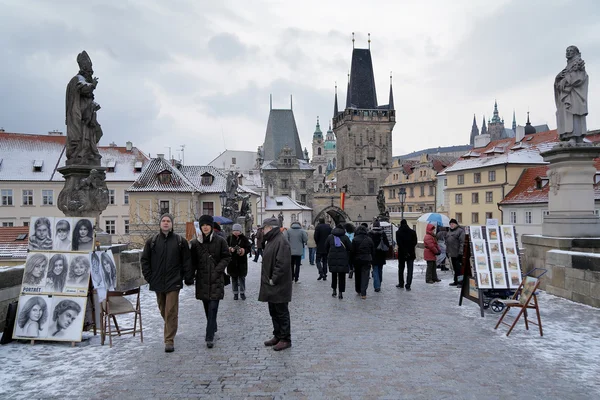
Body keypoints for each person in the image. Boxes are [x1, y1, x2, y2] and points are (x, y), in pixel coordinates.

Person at [141, 213, 191, 353]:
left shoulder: (180, 241)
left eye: (168, 221)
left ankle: (169, 340)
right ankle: (171, 325)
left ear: (172, 224)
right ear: (160, 223)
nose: (166, 223)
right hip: (157, 281)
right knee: (163, 309)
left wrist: (187, 277)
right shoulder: (152, 241)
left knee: (171, 310)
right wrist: (149, 277)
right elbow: (145, 260)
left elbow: (187, 261)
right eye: (163, 221)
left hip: (174, 281)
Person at [188, 215, 231, 349]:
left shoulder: (220, 241)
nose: (205, 227)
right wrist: (189, 275)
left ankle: (209, 336)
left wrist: (218, 269)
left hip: (216, 279)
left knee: (213, 307)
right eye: (203, 225)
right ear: (200, 227)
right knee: (207, 307)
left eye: (207, 225)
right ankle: (213, 326)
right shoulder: (195, 243)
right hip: (202, 279)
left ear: (211, 226)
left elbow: (226, 257)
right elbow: (192, 262)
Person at [258, 217, 293, 351]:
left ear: (270, 228)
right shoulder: (272, 240)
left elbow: (282, 264)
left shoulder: (281, 241)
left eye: (264, 228)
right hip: (271, 284)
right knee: (273, 311)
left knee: (281, 312)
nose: (262, 231)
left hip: (278, 284)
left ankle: (285, 338)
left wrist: (274, 278)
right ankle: (277, 335)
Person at [65, 50, 103, 165]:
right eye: (89, 70)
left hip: (88, 116)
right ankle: (81, 154)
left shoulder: (82, 79)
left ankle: (90, 153)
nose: (91, 73)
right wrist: (93, 86)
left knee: (96, 133)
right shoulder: (77, 79)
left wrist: (93, 105)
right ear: (84, 70)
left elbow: (87, 98)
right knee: (83, 137)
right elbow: (84, 89)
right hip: (80, 117)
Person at [555, 45, 588, 143]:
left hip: (574, 95)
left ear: (576, 53)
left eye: (571, 51)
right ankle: (568, 136)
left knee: (574, 114)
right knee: (568, 114)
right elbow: (560, 80)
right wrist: (558, 78)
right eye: (567, 51)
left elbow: (578, 78)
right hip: (566, 95)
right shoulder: (567, 67)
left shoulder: (578, 64)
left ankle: (574, 136)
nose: (568, 52)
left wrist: (565, 80)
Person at [325, 224, 352, 299]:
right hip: (343, 259)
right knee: (342, 276)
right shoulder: (345, 237)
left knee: (334, 275)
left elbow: (326, 247)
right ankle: (340, 293)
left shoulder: (330, 237)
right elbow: (350, 247)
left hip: (332, 258)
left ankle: (334, 290)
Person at [227, 223, 251, 300]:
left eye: (237, 230)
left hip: (241, 262)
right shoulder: (229, 238)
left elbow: (248, 248)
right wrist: (230, 249)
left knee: (242, 278)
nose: (236, 232)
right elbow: (224, 247)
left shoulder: (244, 239)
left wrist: (243, 250)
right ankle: (235, 293)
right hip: (232, 262)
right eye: (234, 230)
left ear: (240, 231)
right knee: (233, 278)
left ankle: (242, 292)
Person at [351, 224, 374, 299]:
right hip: (367, 259)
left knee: (357, 275)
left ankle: (358, 289)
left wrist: (351, 261)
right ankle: (363, 292)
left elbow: (352, 251)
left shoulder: (355, 239)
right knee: (365, 276)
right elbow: (373, 251)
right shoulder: (369, 239)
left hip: (357, 260)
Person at [395, 219, 417, 291]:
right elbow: (415, 242)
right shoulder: (413, 232)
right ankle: (408, 284)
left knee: (401, 269)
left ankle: (401, 283)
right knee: (410, 270)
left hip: (402, 254)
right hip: (411, 253)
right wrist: (409, 250)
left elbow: (399, 244)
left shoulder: (398, 233)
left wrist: (404, 251)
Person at [368, 220, 390, 292]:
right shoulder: (382, 233)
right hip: (381, 254)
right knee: (380, 269)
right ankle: (379, 282)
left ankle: (377, 286)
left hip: (373, 254)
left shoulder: (370, 234)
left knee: (375, 269)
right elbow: (387, 244)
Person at [446, 218, 466, 287]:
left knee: (459, 269)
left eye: (452, 224)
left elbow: (462, 243)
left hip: (458, 254)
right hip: (452, 253)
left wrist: (460, 253)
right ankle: (455, 281)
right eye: (450, 224)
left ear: (456, 224)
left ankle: (460, 282)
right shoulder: (449, 232)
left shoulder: (460, 231)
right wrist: (447, 252)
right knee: (455, 268)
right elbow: (447, 243)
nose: (451, 225)